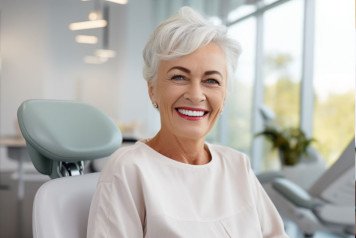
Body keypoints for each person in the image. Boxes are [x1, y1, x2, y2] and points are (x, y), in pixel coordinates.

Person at [87, 6, 289, 238]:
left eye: (211, 81)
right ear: (153, 90)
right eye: (179, 77)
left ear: (225, 96)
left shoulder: (237, 165)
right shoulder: (128, 170)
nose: (195, 95)